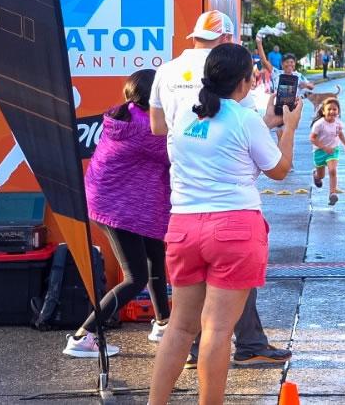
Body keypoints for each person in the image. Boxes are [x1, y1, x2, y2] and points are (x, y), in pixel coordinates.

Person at [148, 44, 303, 405]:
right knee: (217, 329)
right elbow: (279, 170)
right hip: (234, 229)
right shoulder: (245, 120)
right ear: (247, 82)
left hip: (184, 228)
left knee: (180, 327)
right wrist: (289, 128)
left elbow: (220, 133)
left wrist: (265, 123)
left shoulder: (185, 115)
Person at [64, 69, 170, 359]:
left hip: (118, 201)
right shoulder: (146, 128)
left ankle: (163, 324)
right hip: (116, 208)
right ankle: (82, 336)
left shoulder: (129, 113)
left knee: (154, 255)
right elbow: (176, 154)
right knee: (135, 277)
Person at [310, 97, 345, 206]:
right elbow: (312, 138)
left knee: (332, 170)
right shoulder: (319, 124)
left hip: (333, 150)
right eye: (329, 109)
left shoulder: (338, 123)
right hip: (319, 151)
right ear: (323, 111)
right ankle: (316, 176)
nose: (332, 111)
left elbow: (340, 134)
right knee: (321, 176)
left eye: (335, 109)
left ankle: (332, 193)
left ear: (338, 111)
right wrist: (324, 148)